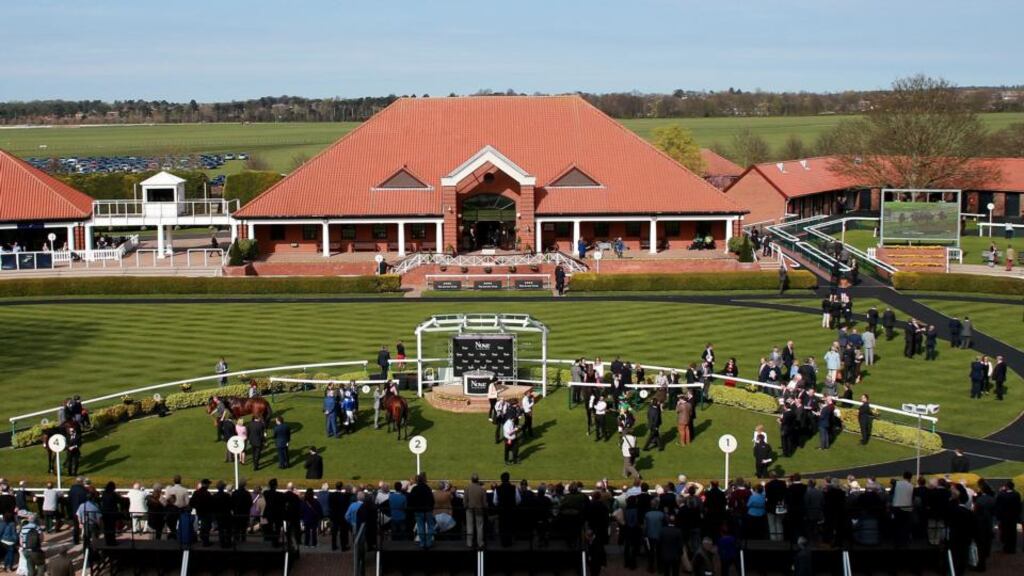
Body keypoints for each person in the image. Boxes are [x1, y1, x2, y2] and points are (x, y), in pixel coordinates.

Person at [408, 473, 435, 550]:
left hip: (418, 511)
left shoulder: (415, 489)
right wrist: (430, 508)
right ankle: (428, 542)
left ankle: (423, 543)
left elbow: (410, 500)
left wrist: (414, 508)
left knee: (420, 527)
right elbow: (432, 500)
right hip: (427, 511)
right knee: (430, 526)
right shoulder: (427, 488)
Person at [995, 480, 1021, 554]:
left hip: (1004, 518)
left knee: (1005, 532)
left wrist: (1001, 491)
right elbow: (1018, 507)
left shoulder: (1002, 495)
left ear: (1006, 487)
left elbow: (998, 504)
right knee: (1012, 533)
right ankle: (1012, 549)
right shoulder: (1016, 494)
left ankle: (1006, 548)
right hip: (1013, 517)